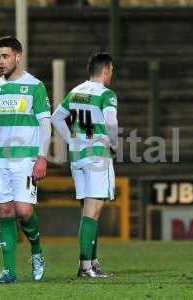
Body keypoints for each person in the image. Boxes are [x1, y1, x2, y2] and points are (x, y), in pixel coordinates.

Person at [0, 36, 51, 284]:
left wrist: (42, 157)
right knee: (4, 210)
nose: (0, 61)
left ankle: (36, 251)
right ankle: (9, 271)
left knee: (24, 211)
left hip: (25, 159)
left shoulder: (35, 86)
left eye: (4, 56)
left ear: (17, 56)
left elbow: (45, 124)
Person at [51, 52, 118, 278]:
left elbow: (56, 118)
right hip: (97, 156)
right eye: (111, 71)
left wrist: (70, 140)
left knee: (88, 212)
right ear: (106, 70)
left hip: (77, 157)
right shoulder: (106, 95)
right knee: (94, 210)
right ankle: (85, 266)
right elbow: (111, 123)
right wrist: (115, 144)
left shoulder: (76, 92)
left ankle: (93, 261)